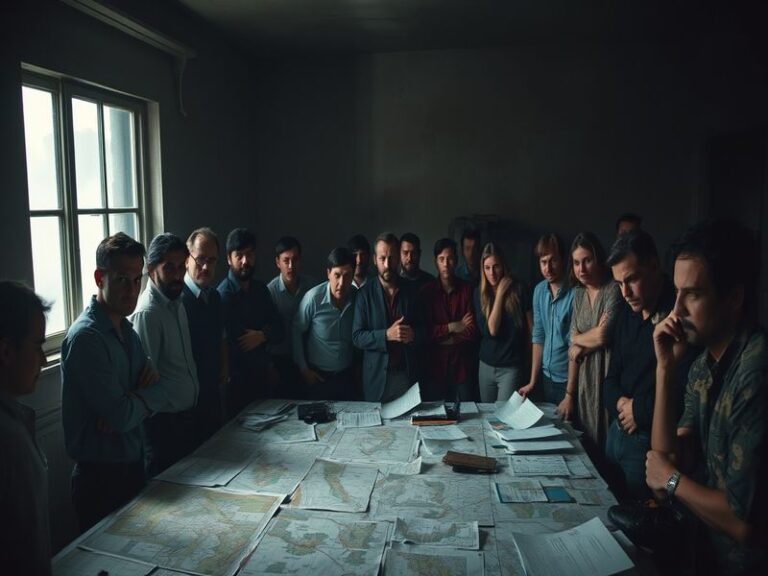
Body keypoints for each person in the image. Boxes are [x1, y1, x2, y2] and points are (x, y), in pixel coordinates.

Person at [643, 220, 767, 574]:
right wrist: (664, 369)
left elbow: (743, 523)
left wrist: (671, 478)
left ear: (733, 299)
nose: (676, 310)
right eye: (676, 292)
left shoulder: (755, 372)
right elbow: (666, 463)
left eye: (692, 294)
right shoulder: (702, 365)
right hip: (707, 555)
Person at [62, 233, 167, 532]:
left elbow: (159, 391)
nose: (132, 290)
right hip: (100, 480)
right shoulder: (86, 338)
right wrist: (134, 403)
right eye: (122, 279)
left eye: (137, 280)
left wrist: (131, 402)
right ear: (99, 277)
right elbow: (122, 415)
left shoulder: (127, 329)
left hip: (134, 468)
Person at [603, 230, 694, 500]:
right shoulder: (624, 313)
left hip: (650, 447)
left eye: (631, 280)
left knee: (639, 529)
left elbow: (682, 388)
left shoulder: (679, 314)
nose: (625, 291)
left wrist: (638, 410)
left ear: (654, 266)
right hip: (616, 431)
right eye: (618, 283)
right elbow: (610, 379)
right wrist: (621, 405)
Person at [130, 233, 200, 474]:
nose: (178, 274)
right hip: (164, 427)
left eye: (181, 267)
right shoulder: (148, 313)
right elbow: (146, 381)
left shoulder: (177, 301)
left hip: (185, 420)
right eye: (169, 267)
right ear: (151, 269)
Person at [0, 281, 51, 575]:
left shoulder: (14, 420)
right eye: (37, 346)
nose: (44, 360)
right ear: (6, 351)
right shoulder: (7, 440)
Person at [561, 232, 620, 451]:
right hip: (585, 380)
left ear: (598, 259)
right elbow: (571, 347)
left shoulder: (613, 289)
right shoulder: (577, 294)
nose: (581, 269)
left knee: (608, 449)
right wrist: (569, 393)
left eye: (587, 260)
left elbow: (605, 336)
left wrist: (579, 341)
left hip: (607, 375)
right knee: (587, 446)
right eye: (576, 263)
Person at [218, 228, 284, 417]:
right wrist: (264, 336)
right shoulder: (223, 295)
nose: (245, 261)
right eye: (239, 256)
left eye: (249, 254)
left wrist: (262, 335)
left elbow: (280, 330)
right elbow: (241, 343)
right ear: (229, 258)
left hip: (263, 378)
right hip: (238, 382)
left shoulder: (261, 289)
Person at [352, 232, 423, 402]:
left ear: (398, 257)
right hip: (376, 378)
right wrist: (386, 335)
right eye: (382, 258)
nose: (387, 264)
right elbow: (357, 337)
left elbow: (425, 329)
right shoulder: (364, 294)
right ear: (375, 259)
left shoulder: (412, 291)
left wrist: (413, 335)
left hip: (406, 376)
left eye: (391, 258)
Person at [181, 227, 227, 445]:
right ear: (187, 260)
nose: (206, 266)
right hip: (187, 401)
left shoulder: (215, 297)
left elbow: (220, 338)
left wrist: (223, 368)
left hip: (212, 392)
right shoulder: (177, 301)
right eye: (200, 259)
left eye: (212, 260)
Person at [293, 247, 356, 400]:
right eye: (337, 275)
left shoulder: (357, 297)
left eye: (347, 276)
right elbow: (295, 331)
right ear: (328, 273)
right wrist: (304, 370)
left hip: (347, 376)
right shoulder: (313, 298)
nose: (341, 283)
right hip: (318, 378)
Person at [519, 234, 574, 405]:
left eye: (553, 261)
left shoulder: (576, 294)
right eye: (543, 262)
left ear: (564, 260)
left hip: (567, 380)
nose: (548, 268)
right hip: (545, 378)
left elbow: (576, 346)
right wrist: (533, 381)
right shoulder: (539, 291)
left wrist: (570, 394)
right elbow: (538, 336)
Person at [474, 243, 532, 402]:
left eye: (496, 266)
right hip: (486, 365)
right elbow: (492, 330)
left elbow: (531, 330)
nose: (491, 273)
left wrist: (529, 364)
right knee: (487, 416)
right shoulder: (479, 292)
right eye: (487, 268)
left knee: (505, 420)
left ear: (503, 265)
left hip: (511, 367)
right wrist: (500, 293)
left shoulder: (520, 289)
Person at [422, 238, 478, 401]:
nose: (446, 264)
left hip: (463, 366)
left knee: (468, 416)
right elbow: (426, 332)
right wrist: (452, 327)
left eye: (450, 258)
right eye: (441, 259)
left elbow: (472, 330)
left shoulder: (467, 290)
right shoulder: (426, 292)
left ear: (456, 260)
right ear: (436, 262)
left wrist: (447, 339)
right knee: (437, 417)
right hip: (436, 367)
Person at [267, 236, 315, 398]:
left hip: (307, 359)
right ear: (277, 262)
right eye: (286, 260)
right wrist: (270, 366)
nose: (291, 266)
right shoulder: (270, 292)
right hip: (281, 360)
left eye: (295, 260)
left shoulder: (311, 287)